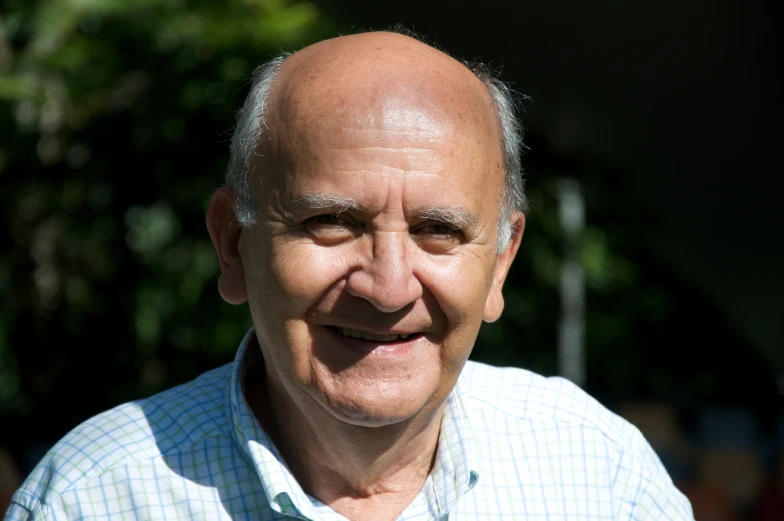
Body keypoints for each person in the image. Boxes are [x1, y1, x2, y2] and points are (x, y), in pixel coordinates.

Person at [5, 30, 694, 521]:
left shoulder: (600, 476)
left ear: (500, 263)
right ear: (233, 244)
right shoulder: (94, 498)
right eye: (332, 221)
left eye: (439, 230)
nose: (388, 285)